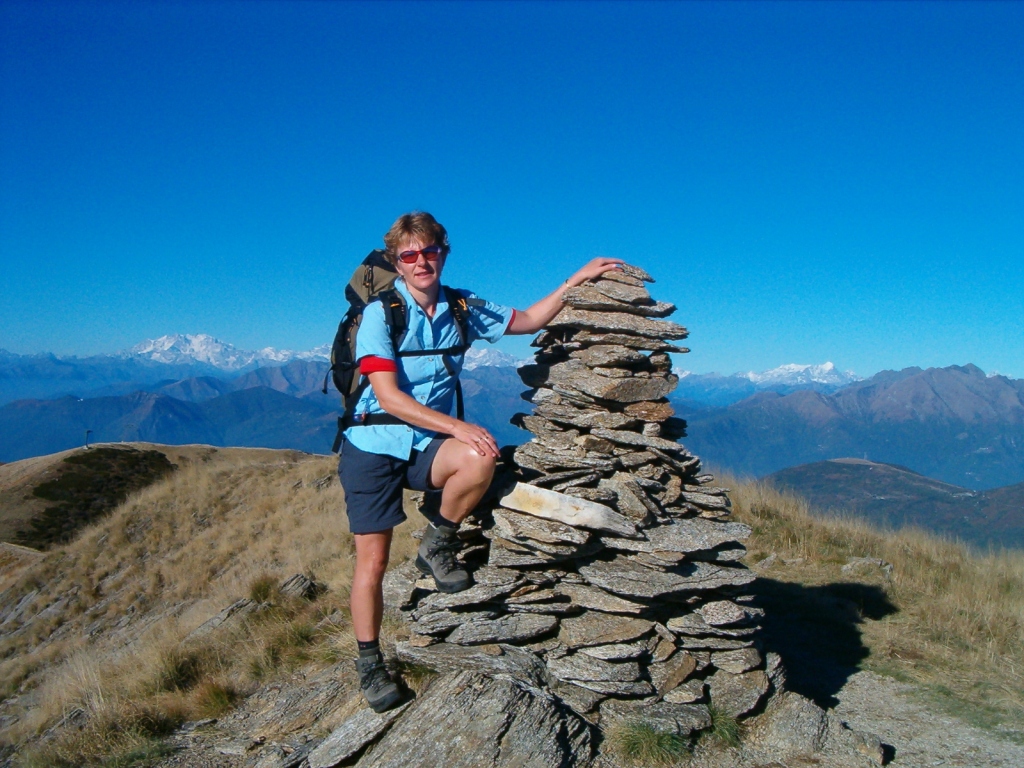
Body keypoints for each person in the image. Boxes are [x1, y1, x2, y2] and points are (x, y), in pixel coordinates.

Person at [338, 211, 622, 712]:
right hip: (373, 444)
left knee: (480, 457)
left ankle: (438, 541)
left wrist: (574, 281)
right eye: (409, 255)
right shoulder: (381, 315)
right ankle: (370, 662)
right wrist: (457, 426)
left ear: (443, 253)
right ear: (396, 262)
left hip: (426, 444)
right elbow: (387, 396)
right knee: (373, 561)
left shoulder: (463, 307)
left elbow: (528, 320)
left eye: (429, 251)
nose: (421, 262)